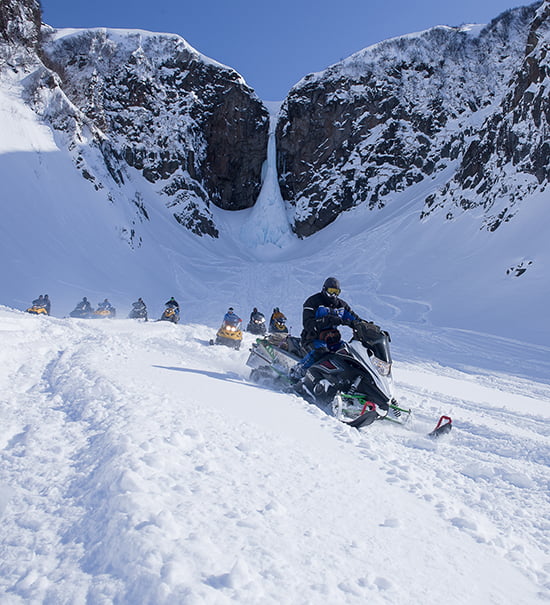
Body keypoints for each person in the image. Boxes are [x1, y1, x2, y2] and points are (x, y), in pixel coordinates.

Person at [291, 277, 362, 377]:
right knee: (320, 352)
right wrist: (327, 319)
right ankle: (297, 372)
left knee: (348, 352)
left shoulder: (341, 305)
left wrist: (368, 327)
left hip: (333, 340)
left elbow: (355, 318)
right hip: (313, 338)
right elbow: (307, 323)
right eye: (331, 291)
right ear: (324, 289)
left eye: (336, 292)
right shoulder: (313, 301)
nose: (333, 295)